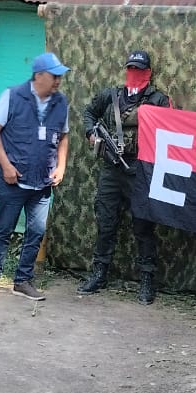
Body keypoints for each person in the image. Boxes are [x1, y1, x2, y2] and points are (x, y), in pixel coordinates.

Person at [76, 48, 173, 304]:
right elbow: (89, 114)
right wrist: (91, 134)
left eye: (139, 70)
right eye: (131, 69)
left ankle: (147, 280)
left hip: (141, 170)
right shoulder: (111, 96)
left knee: (143, 226)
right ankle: (99, 273)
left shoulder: (158, 100)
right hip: (112, 169)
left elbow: (172, 131)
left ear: (148, 73)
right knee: (106, 222)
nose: (134, 74)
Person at [0, 52, 70, 301]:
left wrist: (61, 167)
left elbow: (63, 137)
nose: (58, 80)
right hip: (14, 179)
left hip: (42, 182)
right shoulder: (13, 96)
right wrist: (6, 165)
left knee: (36, 232)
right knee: (3, 230)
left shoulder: (60, 102)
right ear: (39, 76)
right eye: (54, 76)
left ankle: (22, 280)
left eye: (60, 76)